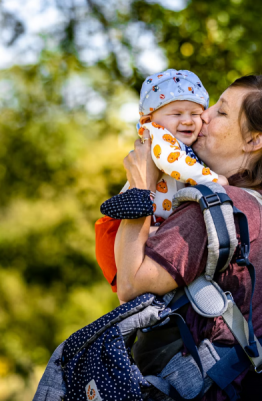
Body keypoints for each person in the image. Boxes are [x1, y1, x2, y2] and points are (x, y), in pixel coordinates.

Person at [115, 75, 262, 401]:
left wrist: (139, 190)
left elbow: (130, 285)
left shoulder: (216, 209)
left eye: (220, 111)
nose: (202, 118)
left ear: (254, 140)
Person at [95, 69, 228, 292]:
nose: (187, 120)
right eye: (176, 114)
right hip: (122, 228)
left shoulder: (183, 143)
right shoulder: (156, 134)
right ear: (149, 119)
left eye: (195, 114)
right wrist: (214, 179)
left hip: (151, 224)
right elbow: (172, 162)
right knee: (136, 283)